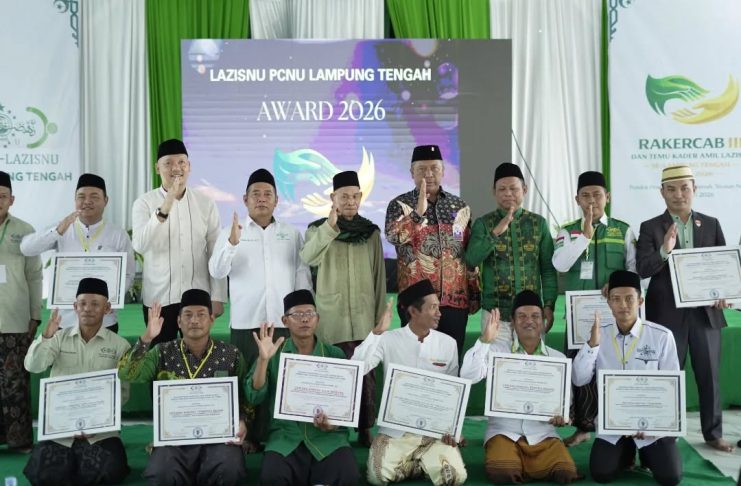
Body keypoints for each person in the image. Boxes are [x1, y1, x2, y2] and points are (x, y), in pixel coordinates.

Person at [209, 167, 312, 448]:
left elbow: (301, 274)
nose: (262, 199)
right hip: (247, 323)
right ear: (245, 200)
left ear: (277, 200)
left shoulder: (291, 233)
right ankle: (249, 437)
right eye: (256, 194)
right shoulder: (231, 233)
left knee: (280, 381)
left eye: (268, 194)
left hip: (283, 323)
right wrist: (232, 243)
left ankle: (280, 434)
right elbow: (217, 271)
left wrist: (302, 315)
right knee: (248, 381)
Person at [636, 164, 735, 453]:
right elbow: (642, 269)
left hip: (705, 314)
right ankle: (665, 432)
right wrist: (664, 250)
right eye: (671, 189)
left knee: (709, 376)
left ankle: (713, 433)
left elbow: (722, 267)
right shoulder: (650, 227)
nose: (678, 194)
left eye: (684, 188)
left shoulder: (712, 224)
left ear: (694, 189)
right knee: (668, 375)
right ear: (662, 192)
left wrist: (723, 293)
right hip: (666, 315)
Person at [118, 288, 248, 485]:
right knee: (161, 473)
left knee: (230, 469)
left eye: (201, 314)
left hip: (217, 437)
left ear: (212, 319)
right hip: (174, 439)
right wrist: (147, 338)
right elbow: (127, 373)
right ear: (179, 321)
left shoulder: (230, 354)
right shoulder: (162, 352)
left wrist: (242, 421)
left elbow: (244, 396)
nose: (194, 320)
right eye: (187, 315)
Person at [352, 279, 467, 486]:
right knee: (377, 477)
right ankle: (420, 465)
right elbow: (358, 365)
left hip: (434, 433)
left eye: (438, 307)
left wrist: (454, 429)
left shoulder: (448, 344)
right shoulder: (387, 339)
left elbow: (452, 392)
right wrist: (377, 332)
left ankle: (412, 464)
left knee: (455, 477)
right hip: (397, 432)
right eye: (433, 307)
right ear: (413, 311)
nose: (439, 313)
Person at [300, 170, 386, 447]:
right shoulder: (318, 229)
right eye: (344, 196)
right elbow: (308, 258)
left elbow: (379, 277)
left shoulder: (370, 233)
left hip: (363, 315)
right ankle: (334, 427)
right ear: (333, 198)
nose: (350, 201)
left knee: (366, 375)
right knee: (334, 375)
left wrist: (379, 318)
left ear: (361, 198)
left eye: (354, 196)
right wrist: (330, 227)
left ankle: (365, 428)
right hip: (332, 316)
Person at [573, 270, 682, 485]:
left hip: (651, 425)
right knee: (601, 473)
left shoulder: (661, 336)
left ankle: (647, 453)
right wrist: (592, 345)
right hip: (613, 425)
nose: (623, 305)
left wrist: (655, 425)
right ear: (609, 303)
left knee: (671, 477)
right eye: (616, 299)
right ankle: (627, 453)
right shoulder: (599, 335)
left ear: (640, 300)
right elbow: (579, 379)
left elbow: (672, 388)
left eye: (629, 298)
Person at [552, 170, 636, 447]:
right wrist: (585, 236)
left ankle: (618, 422)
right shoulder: (567, 231)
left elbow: (633, 269)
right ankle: (583, 427)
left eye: (597, 195)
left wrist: (618, 282)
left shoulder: (622, 230)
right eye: (585, 195)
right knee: (580, 370)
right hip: (580, 316)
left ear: (607, 197)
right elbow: (560, 264)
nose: (591, 201)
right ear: (577, 199)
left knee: (615, 366)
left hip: (617, 315)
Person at [460, 290, 580, 484]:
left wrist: (563, 416)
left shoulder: (557, 358)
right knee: (503, 473)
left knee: (566, 472)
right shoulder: (496, 353)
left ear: (543, 321)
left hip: (543, 434)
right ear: (512, 322)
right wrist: (484, 341)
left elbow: (567, 400)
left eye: (535, 316)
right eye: (522, 316)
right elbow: (468, 376)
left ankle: (522, 465)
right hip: (504, 432)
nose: (529, 321)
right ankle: (520, 465)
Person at [245, 289, 361, 486]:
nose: (305, 319)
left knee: (347, 475)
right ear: (285, 321)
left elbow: (344, 407)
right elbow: (254, 396)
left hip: (327, 439)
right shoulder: (274, 353)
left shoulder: (334, 355)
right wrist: (263, 360)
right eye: (297, 314)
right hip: (285, 438)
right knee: (272, 477)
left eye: (310, 313)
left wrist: (332, 424)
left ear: (318, 319)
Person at [24, 278, 131, 485]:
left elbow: (123, 393)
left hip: (99, 432)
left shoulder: (120, 346)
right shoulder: (58, 338)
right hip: (61, 429)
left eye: (95, 304)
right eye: (82, 303)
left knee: (106, 473)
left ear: (107, 308)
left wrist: (97, 421)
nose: (87, 309)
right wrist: (46, 335)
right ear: (74, 307)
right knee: (43, 474)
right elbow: (33, 366)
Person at [385, 144, 480, 356]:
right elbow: (393, 237)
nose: (428, 174)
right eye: (422, 169)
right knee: (415, 360)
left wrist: (474, 292)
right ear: (412, 172)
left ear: (443, 171)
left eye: (434, 168)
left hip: (454, 301)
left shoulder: (459, 206)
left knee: (450, 360)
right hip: (416, 303)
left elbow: (464, 251)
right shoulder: (399, 204)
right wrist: (417, 213)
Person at [131, 139, 226, 346]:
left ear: (189, 166)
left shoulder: (205, 202)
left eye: (181, 162)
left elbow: (215, 250)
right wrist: (164, 208)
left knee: (196, 359)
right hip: (159, 300)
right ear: (157, 168)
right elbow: (139, 245)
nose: (176, 168)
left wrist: (218, 295)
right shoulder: (144, 203)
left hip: (196, 299)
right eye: (168, 163)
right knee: (160, 359)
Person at [20, 173, 135, 333]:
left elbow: (128, 275)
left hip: (104, 322)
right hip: (65, 322)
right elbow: (26, 248)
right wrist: (57, 232)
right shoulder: (62, 228)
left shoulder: (118, 235)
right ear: (75, 200)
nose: (87, 201)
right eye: (81, 197)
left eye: (94, 196)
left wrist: (112, 300)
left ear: (105, 200)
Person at [466, 162, 557, 348]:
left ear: (524, 189)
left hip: (531, 315)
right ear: (494, 191)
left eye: (513, 188)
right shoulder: (483, 224)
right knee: (497, 363)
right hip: (495, 315)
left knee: (532, 364)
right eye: (502, 189)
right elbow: (471, 259)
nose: (508, 193)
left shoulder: (538, 223)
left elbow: (548, 269)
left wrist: (549, 304)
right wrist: (495, 233)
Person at [0, 171, 42, 453]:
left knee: (15, 383)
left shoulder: (25, 230)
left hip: (15, 318)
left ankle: (19, 440)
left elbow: (35, 275)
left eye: (2, 196)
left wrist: (35, 314)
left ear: (12, 199)